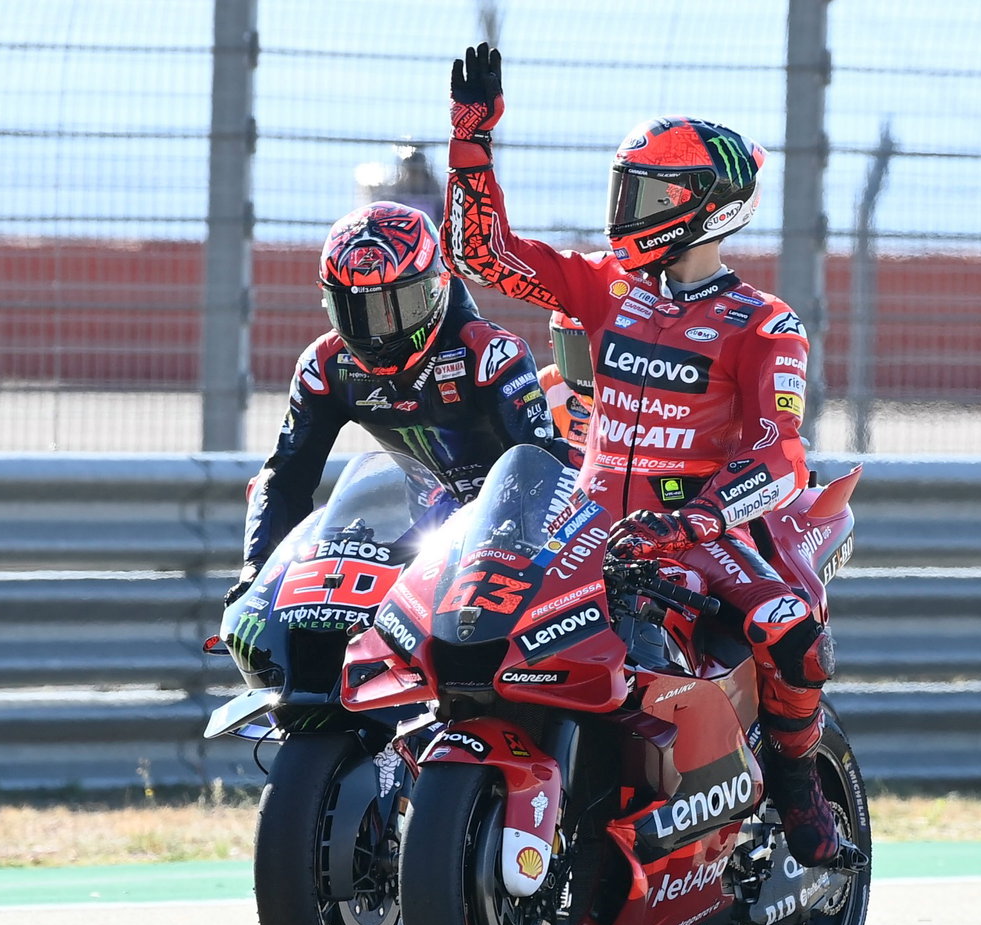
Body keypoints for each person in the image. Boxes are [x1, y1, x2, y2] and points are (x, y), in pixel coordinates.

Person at [441, 44, 846, 867]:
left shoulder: (764, 324)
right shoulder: (603, 286)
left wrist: (694, 518)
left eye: (651, 193)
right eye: (627, 187)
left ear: (709, 207)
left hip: (703, 536)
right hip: (585, 522)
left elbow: (780, 460)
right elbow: (481, 257)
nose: (628, 208)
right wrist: (471, 142)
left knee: (791, 632)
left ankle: (796, 778)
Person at [225, 199, 554, 605]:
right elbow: (286, 475)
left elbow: (544, 471)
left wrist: (521, 548)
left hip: (505, 541)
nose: (377, 332)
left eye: (398, 305)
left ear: (437, 284)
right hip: (418, 537)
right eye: (356, 310)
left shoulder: (490, 353)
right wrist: (257, 573)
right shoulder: (325, 365)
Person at [539, 310, 593, 465]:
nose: (586, 360)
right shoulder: (545, 383)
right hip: (565, 482)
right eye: (576, 351)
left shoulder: (636, 387)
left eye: (593, 347)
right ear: (553, 346)